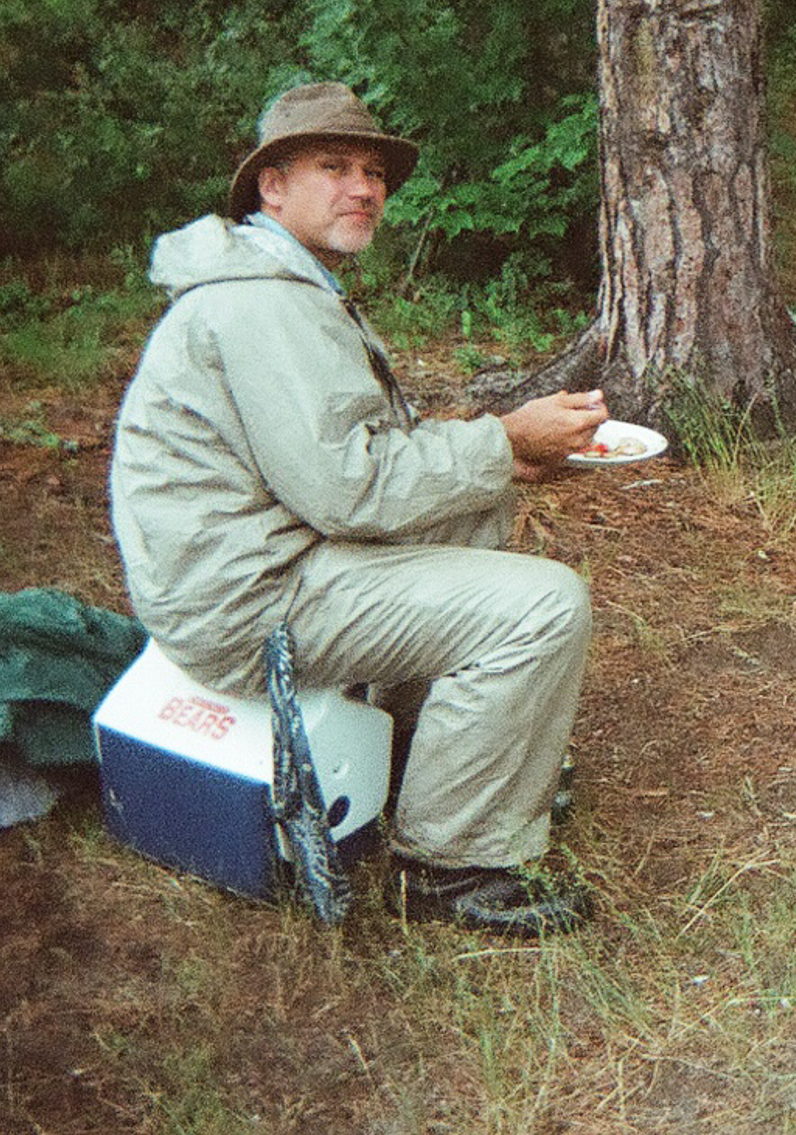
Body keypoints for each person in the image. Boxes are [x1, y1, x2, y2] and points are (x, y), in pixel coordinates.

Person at [108, 82, 609, 935]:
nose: (364, 188)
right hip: (247, 600)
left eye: (373, 172)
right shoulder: (258, 301)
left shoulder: (285, 281)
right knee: (545, 605)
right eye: (334, 167)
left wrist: (511, 459)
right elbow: (349, 487)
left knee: (473, 515)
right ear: (272, 186)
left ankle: (441, 758)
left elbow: (355, 462)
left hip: (270, 557)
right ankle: (452, 863)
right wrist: (500, 442)